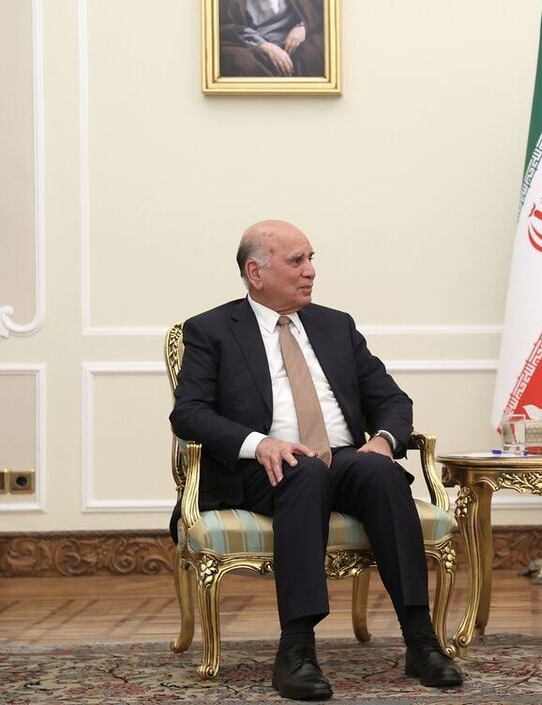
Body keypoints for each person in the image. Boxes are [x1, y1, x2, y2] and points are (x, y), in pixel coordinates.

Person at [169, 220, 462, 700]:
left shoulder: (335, 325)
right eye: (296, 261)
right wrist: (259, 443)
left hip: (343, 458)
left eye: (311, 259)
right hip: (262, 467)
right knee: (303, 472)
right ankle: (297, 649)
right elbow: (189, 413)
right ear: (255, 273)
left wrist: (383, 440)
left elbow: (391, 399)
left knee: (381, 472)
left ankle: (421, 641)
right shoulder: (212, 330)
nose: (310, 271)